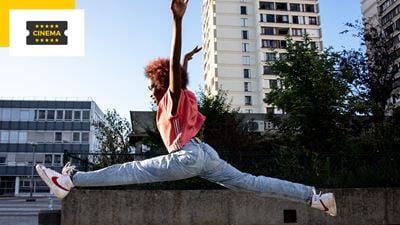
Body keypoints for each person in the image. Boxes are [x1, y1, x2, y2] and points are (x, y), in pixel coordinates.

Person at [35, 0, 336, 217]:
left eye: (153, 87)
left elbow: (173, 78)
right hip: (207, 156)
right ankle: (315, 197)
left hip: (189, 155)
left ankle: (69, 181)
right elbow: (178, 75)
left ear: (162, 84)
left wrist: (177, 22)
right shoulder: (185, 97)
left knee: (134, 170)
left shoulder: (172, 97)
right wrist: (186, 62)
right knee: (252, 183)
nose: (151, 93)